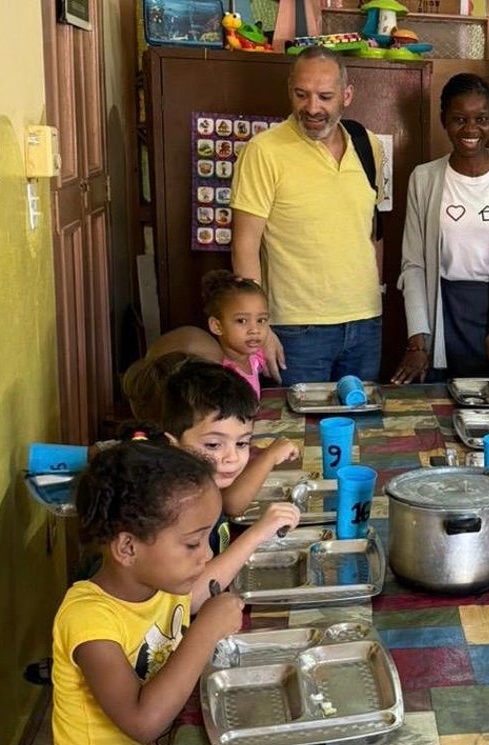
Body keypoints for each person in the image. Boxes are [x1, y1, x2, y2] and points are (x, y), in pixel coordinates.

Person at [52, 438, 245, 745]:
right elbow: (142, 722)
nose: (205, 556)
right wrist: (206, 630)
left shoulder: (161, 582)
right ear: (127, 547)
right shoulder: (88, 618)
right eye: (193, 543)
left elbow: (204, 590)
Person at [231, 46, 384, 385]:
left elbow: (372, 230)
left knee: (361, 431)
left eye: (325, 96)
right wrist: (259, 329)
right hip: (296, 330)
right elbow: (244, 246)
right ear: (290, 90)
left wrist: (378, 295)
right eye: (302, 94)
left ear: (346, 95)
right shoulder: (263, 151)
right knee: (301, 433)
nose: (312, 108)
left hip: (365, 324)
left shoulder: (367, 144)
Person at [391, 73, 489, 383]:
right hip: (442, 311)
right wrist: (418, 340)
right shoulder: (424, 178)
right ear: (444, 120)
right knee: (438, 412)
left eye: (481, 119)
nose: (471, 129)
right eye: (459, 119)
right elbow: (414, 266)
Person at [160, 361, 300, 528]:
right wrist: (259, 531)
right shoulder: (173, 507)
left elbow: (230, 504)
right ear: (172, 444)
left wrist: (269, 456)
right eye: (213, 445)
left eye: (241, 443)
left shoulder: (202, 485)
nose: (232, 457)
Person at [202, 269, 270, 398]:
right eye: (242, 321)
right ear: (217, 326)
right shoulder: (220, 373)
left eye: (261, 320)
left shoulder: (255, 357)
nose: (255, 330)